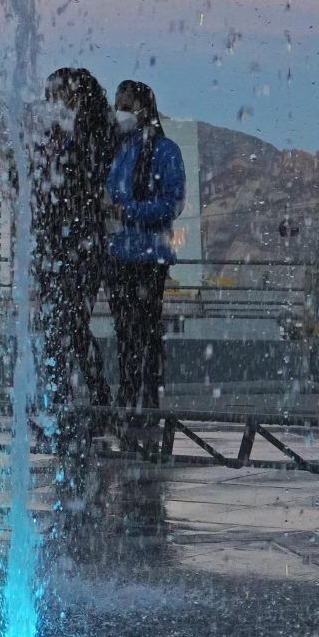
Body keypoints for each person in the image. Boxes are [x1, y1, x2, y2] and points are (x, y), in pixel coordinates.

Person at [36, 67, 115, 428]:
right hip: (56, 240)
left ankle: (84, 396)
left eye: (57, 95)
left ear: (75, 95)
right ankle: (67, 397)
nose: (52, 102)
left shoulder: (94, 132)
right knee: (60, 323)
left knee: (71, 322)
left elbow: (94, 180)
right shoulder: (55, 135)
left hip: (84, 240)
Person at [104, 79, 185, 412]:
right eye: (117, 106)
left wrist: (128, 211)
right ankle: (128, 389)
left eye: (126, 107)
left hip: (150, 255)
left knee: (147, 327)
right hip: (119, 252)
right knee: (123, 328)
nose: (120, 113)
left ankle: (148, 395)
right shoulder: (119, 150)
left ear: (143, 108)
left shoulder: (165, 151)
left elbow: (172, 203)